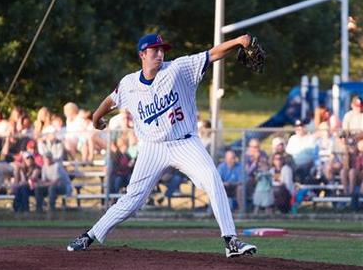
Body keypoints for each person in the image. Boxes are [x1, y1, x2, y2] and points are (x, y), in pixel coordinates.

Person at [67, 32, 257, 257]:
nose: (160, 53)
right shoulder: (129, 83)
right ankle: (89, 236)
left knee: (212, 179)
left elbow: (213, 54)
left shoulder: (178, 69)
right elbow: (112, 99)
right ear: (142, 54)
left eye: (162, 49)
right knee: (132, 200)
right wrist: (96, 117)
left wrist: (238, 42)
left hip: (185, 143)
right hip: (152, 148)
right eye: (154, 50)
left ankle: (230, 240)